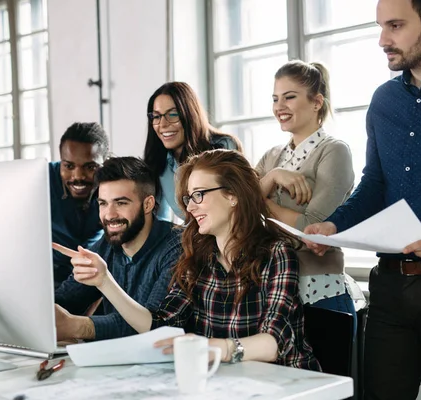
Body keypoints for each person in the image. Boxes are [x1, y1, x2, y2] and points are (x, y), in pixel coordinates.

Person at [304, 0, 421, 399]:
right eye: (380, 26)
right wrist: (334, 225)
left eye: (394, 26)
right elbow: (374, 184)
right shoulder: (383, 101)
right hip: (390, 289)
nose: (382, 40)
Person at [57, 150, 320, 370]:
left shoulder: (277, 254)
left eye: (199, 195)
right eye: (189, 197)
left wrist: (217, 347)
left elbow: (274, 343)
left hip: (286, 384)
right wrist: (104, 282)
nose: (191, 207)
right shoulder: (198, 256)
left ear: (233, 195)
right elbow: (160, 323)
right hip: (225, 381)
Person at [256, 60, 356, 326]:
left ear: (316, 102)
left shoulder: (334, 151)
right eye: (275, 99)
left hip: (319, 292)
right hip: (272, 289)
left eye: (289, 97)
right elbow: (236, 207)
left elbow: (312, 228)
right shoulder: (271, 157)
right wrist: (275, 175)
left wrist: (262, 204)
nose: (279, 107)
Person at [53, 156, 181, 342]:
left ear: (148, 204)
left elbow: (154, 325)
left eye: (121, 203)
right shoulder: (106, 246)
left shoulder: (177, 246)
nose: (109, 215)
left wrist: (78, 327)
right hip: (116, 362)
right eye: (103, 203)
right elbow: (66, 299)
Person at [143, 82, 242, 222]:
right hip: (193, 239)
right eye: (156, 117)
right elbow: (158, 219)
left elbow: (240, 205)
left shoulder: (224, 146)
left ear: (189, 114)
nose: (163, 124)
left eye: (172, 114)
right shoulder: (158, 162)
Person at [49, 122, 109, 287]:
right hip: (48, 273)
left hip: (96, 272)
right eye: (68, 166)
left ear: (105, 162)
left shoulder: (114, 185)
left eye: (90, 167)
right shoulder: (41, 180)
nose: (78, 176)